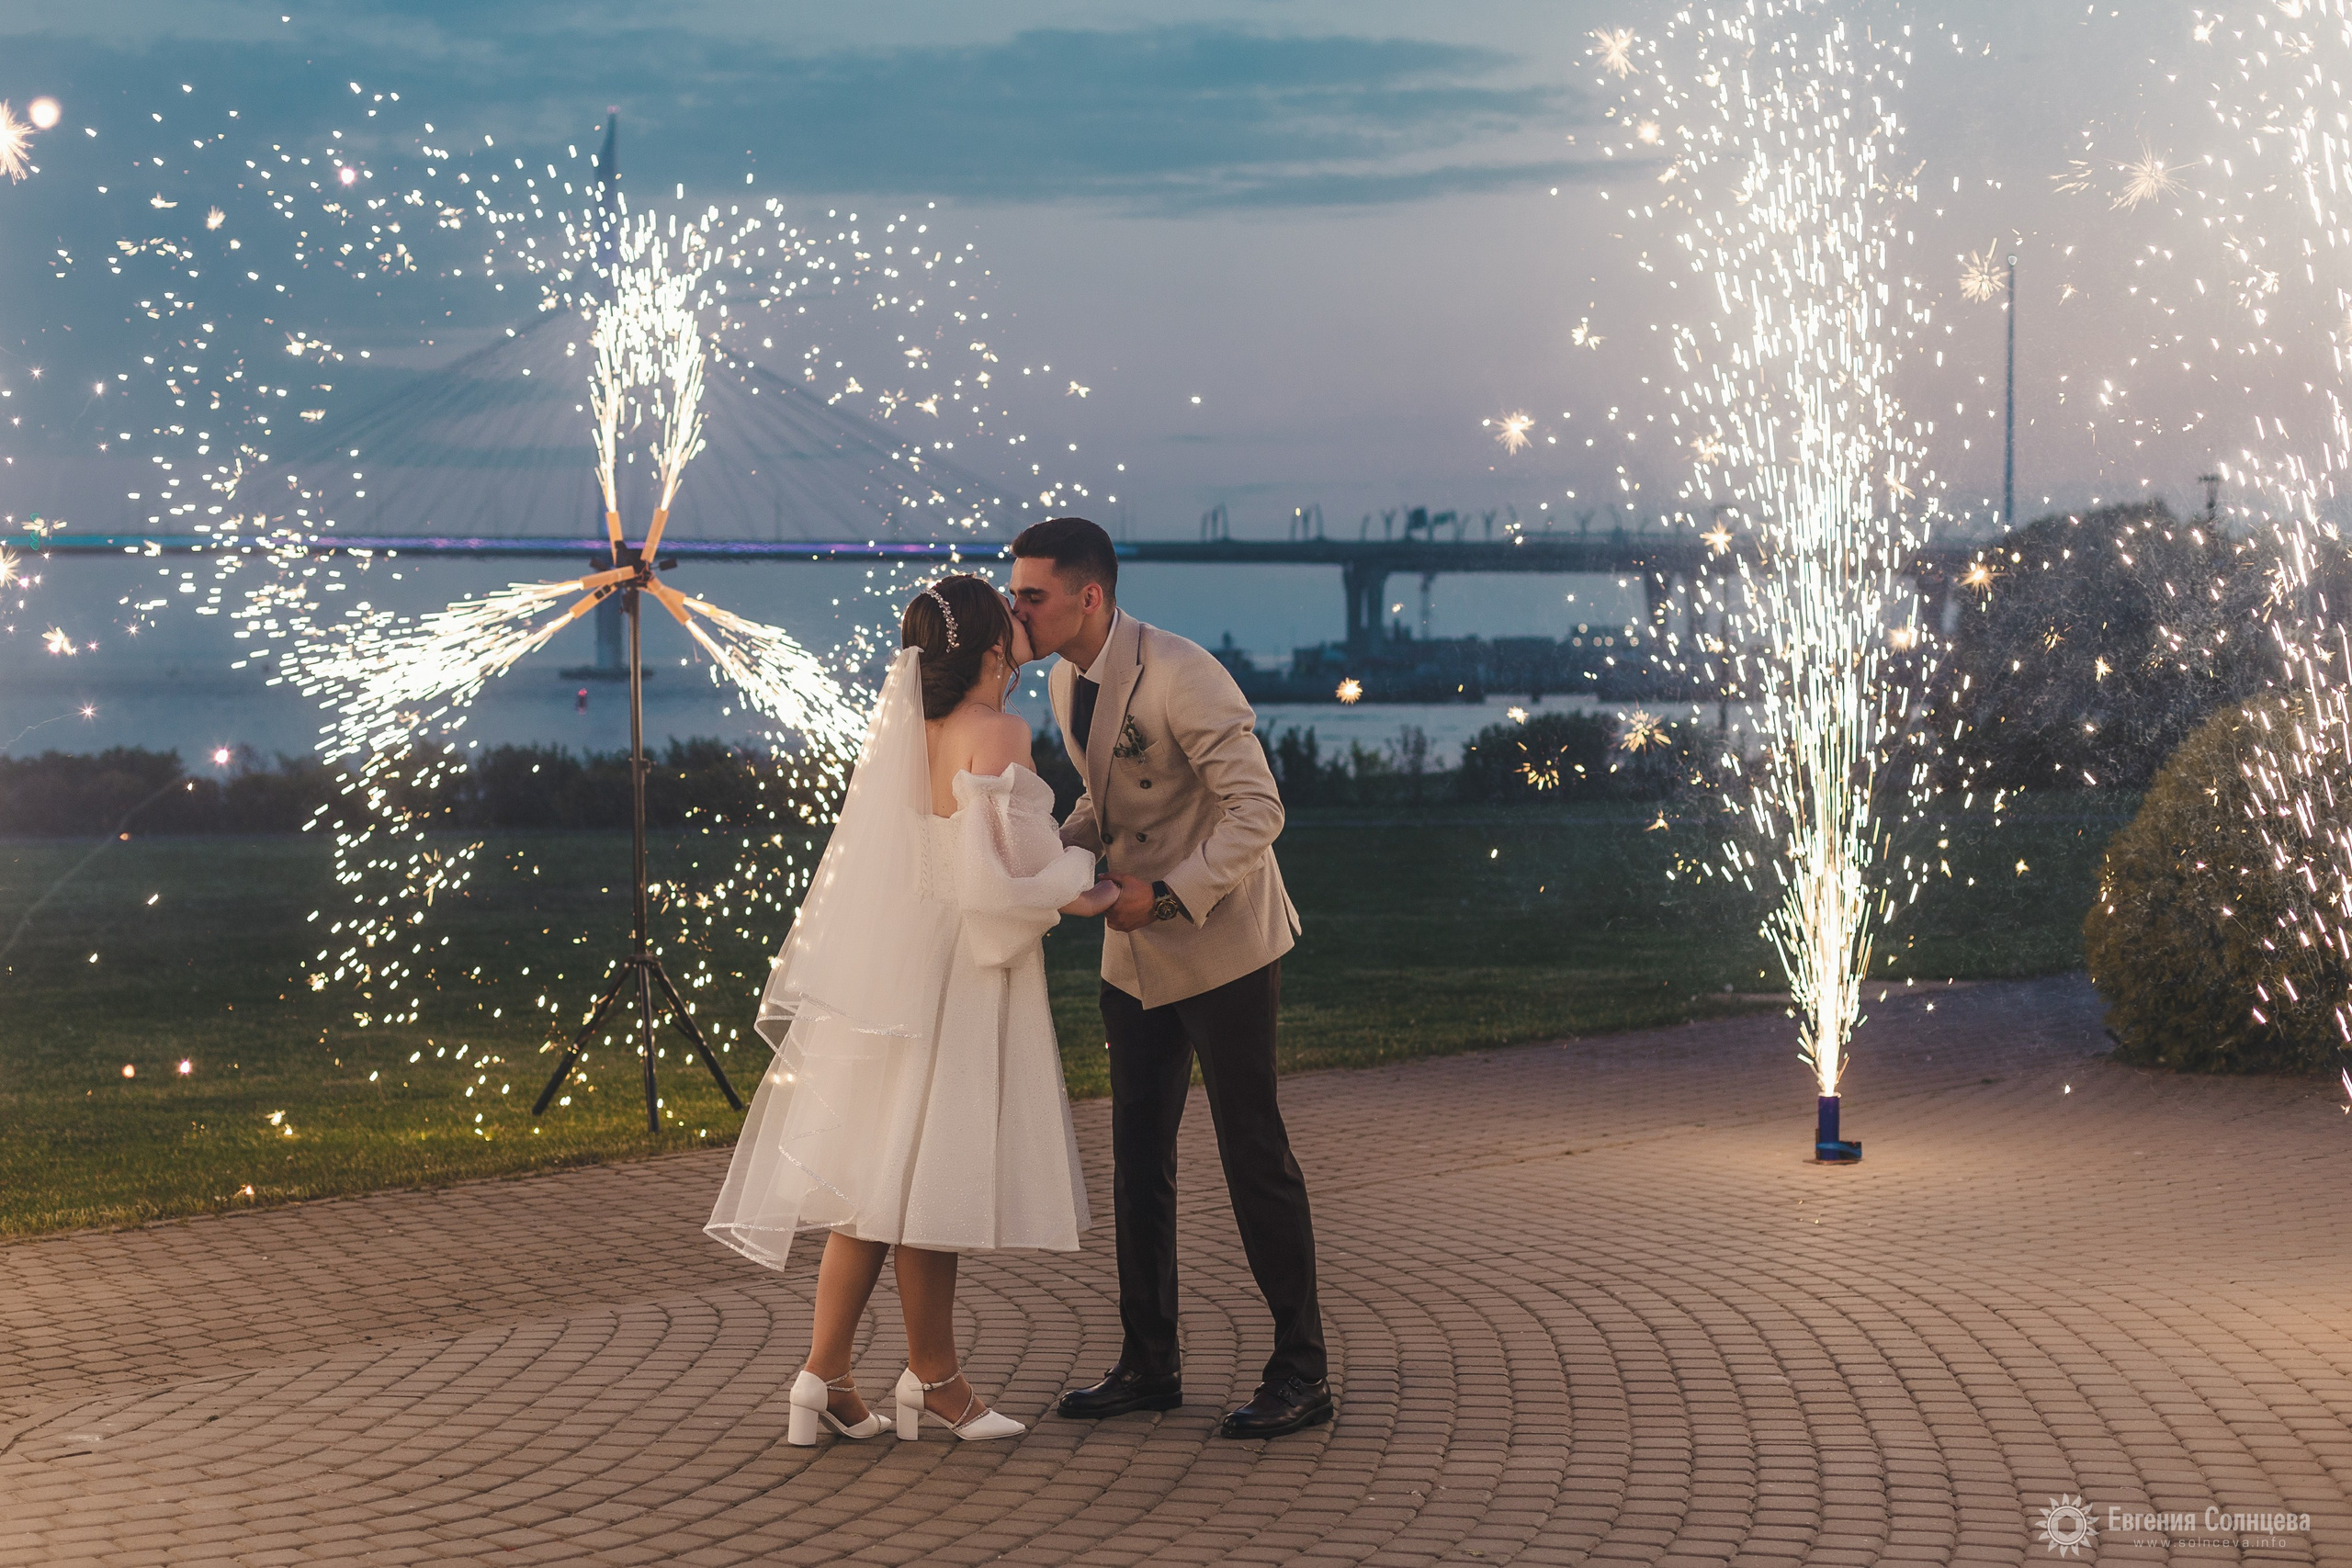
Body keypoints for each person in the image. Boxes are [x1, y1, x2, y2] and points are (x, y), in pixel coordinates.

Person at [706, 574, 1119, 1446]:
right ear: (991, 648)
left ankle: (824, 1376)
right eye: (1010, 626)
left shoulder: (908, 734)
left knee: (873, 1182)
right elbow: (998, 876)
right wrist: (1087, 884)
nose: (1019, 638)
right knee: (930, 1179)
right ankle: (936, 1381)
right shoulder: (999, 730)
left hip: (895, 968)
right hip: (961, 975)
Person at [1009, 516, 1333, 1439]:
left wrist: (1173, 894)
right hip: (1133, 948)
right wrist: (1038, 856)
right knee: (1136, 1159)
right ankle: (1149, 1364)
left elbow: (1258, 810)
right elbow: (1104, 802)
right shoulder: (1070, 675)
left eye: (1031, 594)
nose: (1015, 609)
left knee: (1252, 1155)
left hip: (1220, 942)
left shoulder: (1184, 674)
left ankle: (1302, 1374)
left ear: (1089, 598)